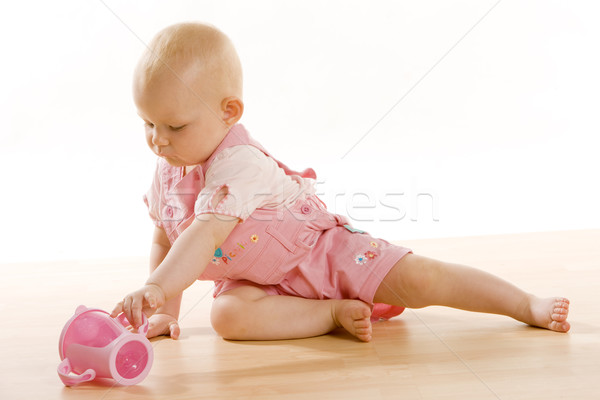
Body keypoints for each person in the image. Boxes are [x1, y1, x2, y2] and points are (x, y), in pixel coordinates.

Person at [111, 22, 570, 342]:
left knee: (422, 279)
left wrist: (154, 288)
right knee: (228, 317)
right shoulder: (169, 168)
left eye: (174, 127)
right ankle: (328, 315)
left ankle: (523, 303)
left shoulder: (239, 164)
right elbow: (166, 236)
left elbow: (204, 232)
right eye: (147, 124)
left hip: (319, 255)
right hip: (258, 281)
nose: (157, 141)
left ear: (228, 112)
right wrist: (164, 310)